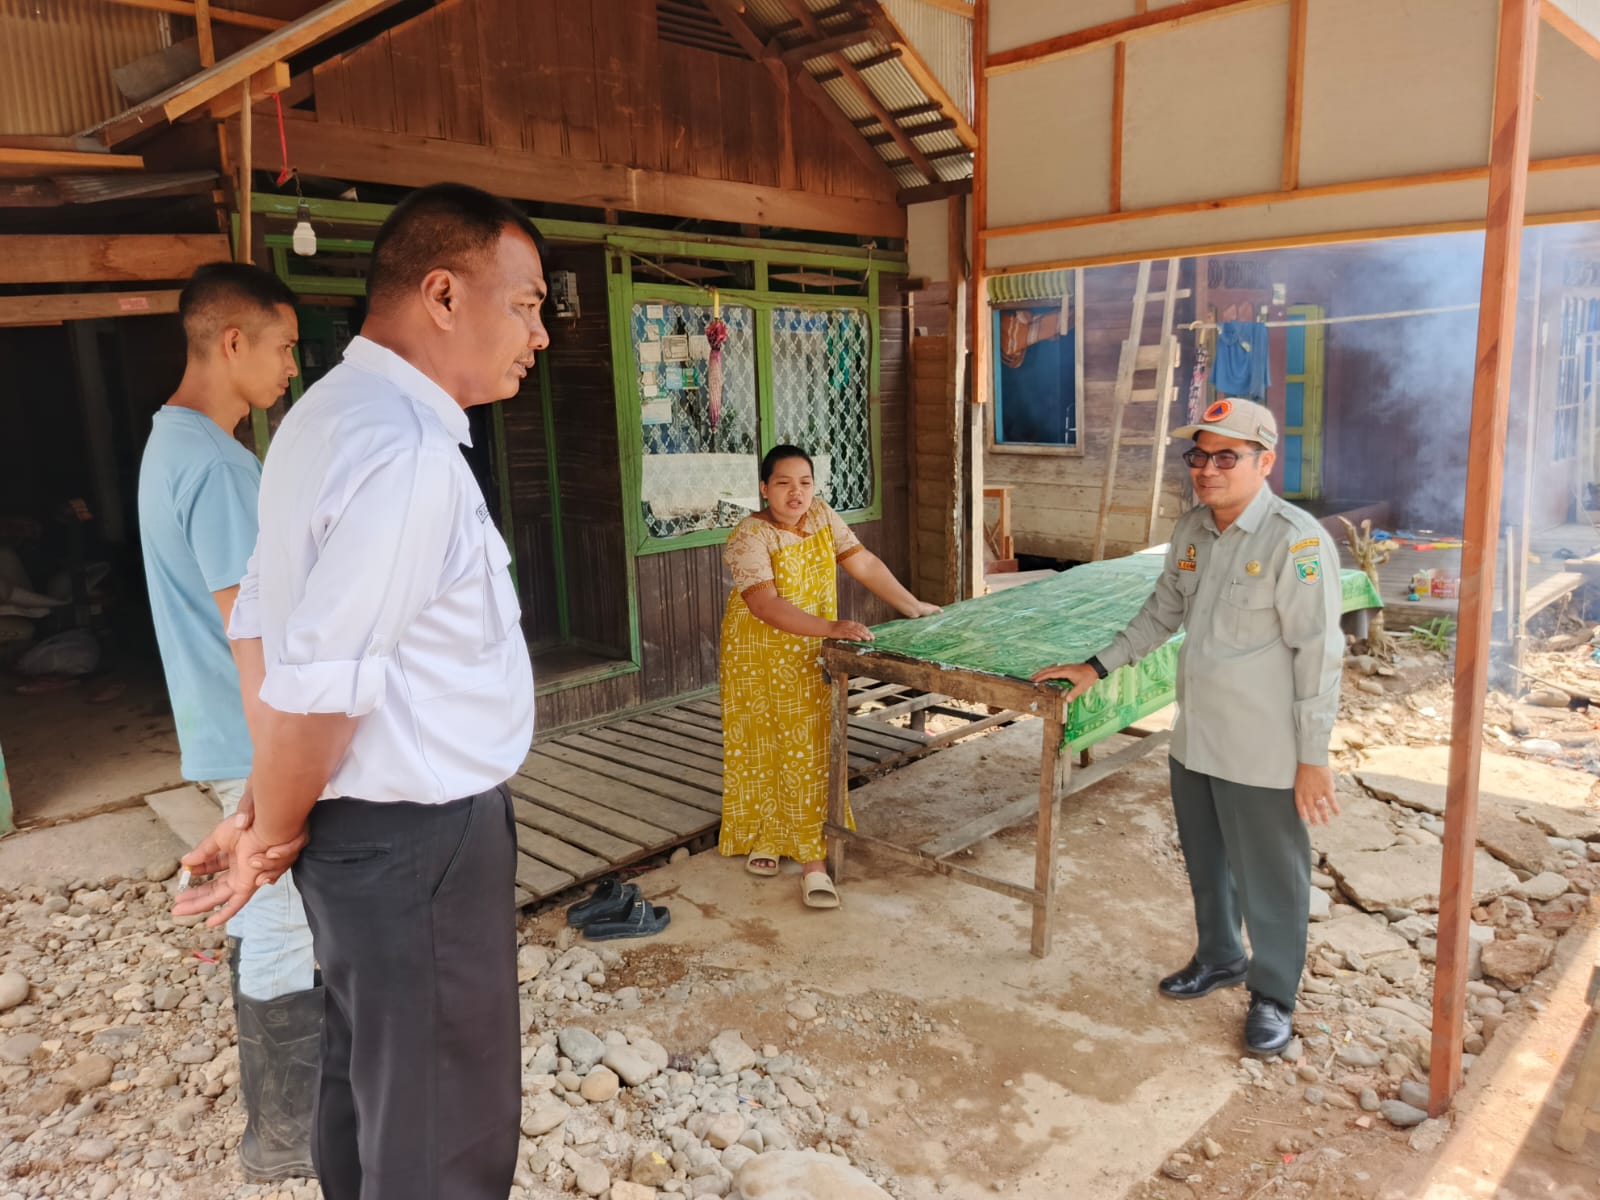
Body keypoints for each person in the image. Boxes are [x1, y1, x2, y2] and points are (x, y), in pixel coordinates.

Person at [173, 183, 547, 1200]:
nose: (540, 335)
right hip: (415, 839)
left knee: (375, 1084)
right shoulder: (406, 451)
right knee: (442, 1124)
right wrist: (271, 831)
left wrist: (265, 808)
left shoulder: (320, 418)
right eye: (525, 305)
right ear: (442, 294)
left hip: (359, 833)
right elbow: (325, 684)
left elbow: (264, 630)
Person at [1031, 398, 1342, 1056]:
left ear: (1264, 462)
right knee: (1207, 860)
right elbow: (1163, 610)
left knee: (1271, 875)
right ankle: (1221, 956)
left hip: (1262, 747)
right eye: (1199, 455)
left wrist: (1313, 757)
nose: (1207, 469)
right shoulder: (1193, 529)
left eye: (1226, 457)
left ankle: (1274, 994)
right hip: (1197, 734)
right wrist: (1096, 665)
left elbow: (1320, 654)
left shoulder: (1295, 541)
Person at [136, 261, 320, 1180]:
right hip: (249, 734)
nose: (292, 365)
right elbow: (252, 633)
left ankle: (283, 1125)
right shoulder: (214, 464)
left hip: (219, 725)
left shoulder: (170, 444)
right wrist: (280, 769)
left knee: (257, 909)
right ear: (233, 340)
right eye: (284, 347)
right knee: (286, 917)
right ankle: (286, 1137)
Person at [719, 444, 941, 908]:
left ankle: (811, 852)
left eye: (805, 482)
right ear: (764, 489)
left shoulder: (821, 515)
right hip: (757, 651)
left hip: (810, 647)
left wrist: (911, 605)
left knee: (811, 742)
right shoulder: (748, 535)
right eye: (783, 483)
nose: (796, 493)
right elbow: (764, 605)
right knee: (761, 737)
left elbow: (864, 562)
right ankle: (767, 833)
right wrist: (832, 628)